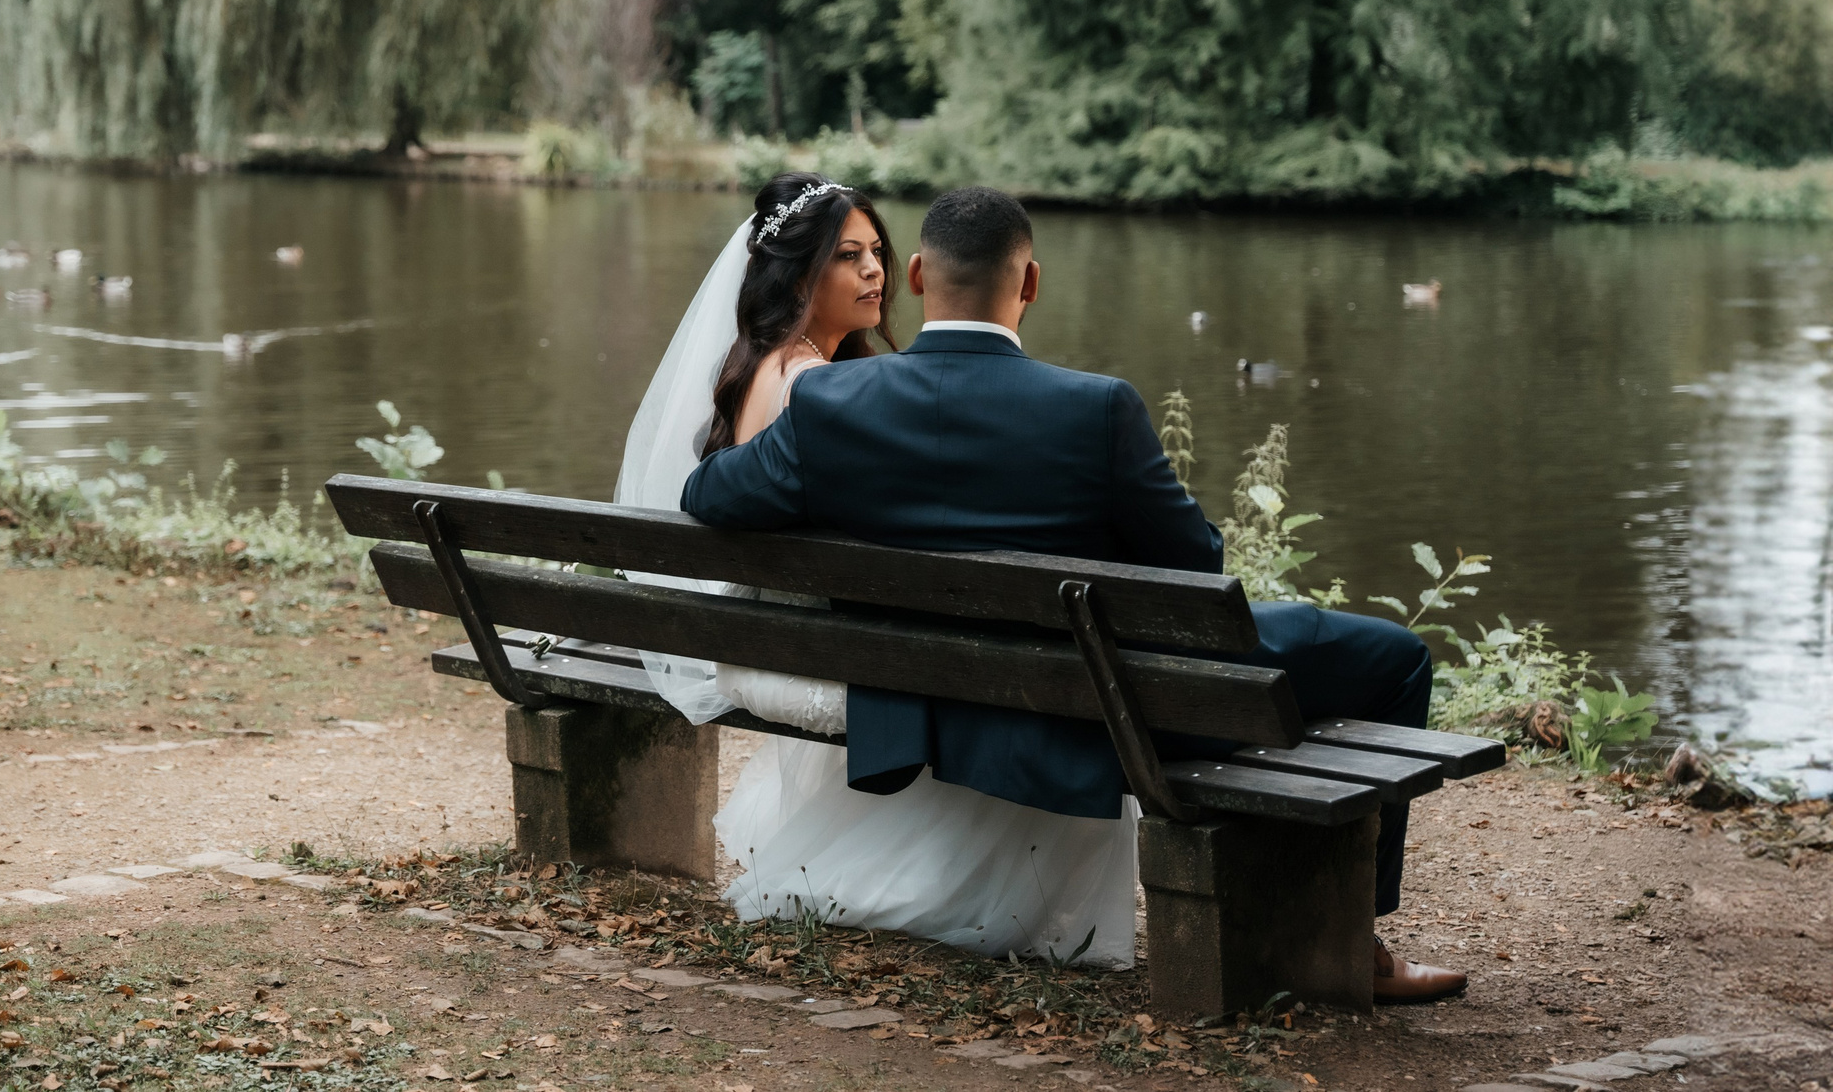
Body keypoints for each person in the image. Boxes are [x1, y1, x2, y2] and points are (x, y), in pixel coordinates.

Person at [678, 184, 1467, 1002]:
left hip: (925, 693)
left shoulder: (831, 401)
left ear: (915, 275)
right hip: (1100, 699)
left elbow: (709, 496)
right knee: (1397, 658)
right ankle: (1351, 935)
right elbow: (1196, 571)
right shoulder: (1097, 408)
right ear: (1030, 284)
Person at [612, 173, 1140, 966]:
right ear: (797, 275)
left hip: (779, 636)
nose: (874, 272)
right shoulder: (817, 386)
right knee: (990, 678)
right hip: (819, 654)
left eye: (879, 253)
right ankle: (948, 894)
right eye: (848, 256)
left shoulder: (768, 368)